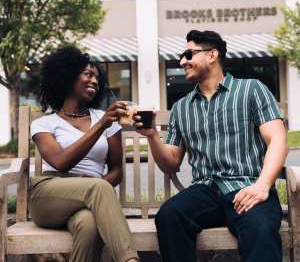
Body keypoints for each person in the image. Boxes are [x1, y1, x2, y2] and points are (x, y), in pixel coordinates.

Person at [134, 30, 288, 262]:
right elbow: (171, 163)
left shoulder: (251, 90)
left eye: (189, 54)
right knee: (169, 216)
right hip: (205, 191)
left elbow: (277, 139)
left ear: (212, 55)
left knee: (260, 229)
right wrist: (152, 135)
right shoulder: (181, 108)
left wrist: (262, 185)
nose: (182, 61)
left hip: (248, 187)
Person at [30, 46, 139, 262]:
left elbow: (116, 171)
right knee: (98, 187)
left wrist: (92, 187)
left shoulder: (106, 119)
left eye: (97, 78)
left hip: (91, 196)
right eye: (88, 74)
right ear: (67, 77)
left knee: (89, 225)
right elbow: (61, 163)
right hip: (49, 195)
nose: (95, 81)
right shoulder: (44, 123)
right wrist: (99, 126)